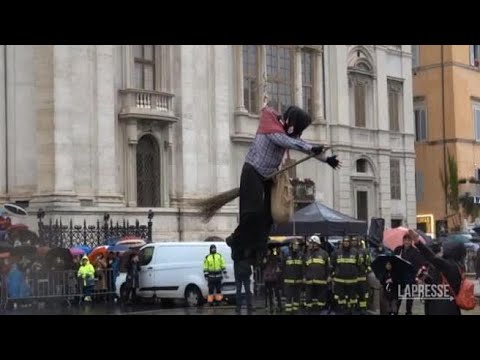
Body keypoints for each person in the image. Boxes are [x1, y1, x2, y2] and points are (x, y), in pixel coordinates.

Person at [226, 105, 341, 264]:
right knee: (252, 211)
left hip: (268, 176)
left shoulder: (287, 132)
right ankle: (236, 240)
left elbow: (300, 144)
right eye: (299, 129)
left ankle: (258, 248)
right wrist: (312, 148)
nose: (299, 134)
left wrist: (326, 160)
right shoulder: (271, 127)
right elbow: (290, 142)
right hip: (252, 171)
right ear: (292, 123)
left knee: (267, 216)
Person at [409, 229, 464, 315]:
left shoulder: (448, 265)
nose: (441, 250)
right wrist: (427, 279)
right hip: (452, 306)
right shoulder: (458, 265)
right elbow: (439, 283)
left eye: (444, 248)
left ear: (450, 251)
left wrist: (418, 242)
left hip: (443, 307)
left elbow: (432, 257)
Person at [394, 233, 424, 315]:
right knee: (398, 298)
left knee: (410, 298)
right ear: (403, 241)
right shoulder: (398, 249)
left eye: (408, 240)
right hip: (399, 278)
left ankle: (408, 312)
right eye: (405, 240)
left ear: (411, 241)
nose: (406, 242)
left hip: (410, 278)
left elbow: (419, 264)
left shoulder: (415, 251)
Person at [331, 236, 359, 315]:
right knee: (341, 298)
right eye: (344, 241)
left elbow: (358, 265)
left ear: (349, 243)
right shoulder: (337, 252)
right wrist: (332, 275)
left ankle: (351, 311)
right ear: (342, 242)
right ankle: (341, 310)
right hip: (339, 281)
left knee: (352, 298)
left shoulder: (355, 252)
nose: (346, 243)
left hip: (352, 280)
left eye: (347, 241)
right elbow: (332, 265)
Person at [303, 235, 330, 313]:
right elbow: (303, 267)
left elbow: (328, 266)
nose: (311, 245)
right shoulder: (307, 254)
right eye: (311, 243)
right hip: (309, 280)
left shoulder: (324, 253)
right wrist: (304, 276)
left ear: (317, 244)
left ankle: (320, 310)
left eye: (313, 243)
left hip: (321, 280)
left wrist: (329, 276)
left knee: (321, 297)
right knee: (308, 297)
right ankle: (309, 310)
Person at [283, 239, 304, 314]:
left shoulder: (301, 255)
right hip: (288, 281)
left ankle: (296, 311)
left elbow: (303, 267)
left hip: (298, 281)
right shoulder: (286, 255)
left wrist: (303, 277)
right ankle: (288, 312)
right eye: (295, 245)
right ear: (291, 245)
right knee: (288, 298)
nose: (296, 246)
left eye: (297, 245)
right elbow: (283, 267)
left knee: (297, 299)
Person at [262, 247, 283, 313]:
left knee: (273, 292)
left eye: (268, 251)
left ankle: (274, 306)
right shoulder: (272, 257)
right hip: (270, 277)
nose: (267, 252)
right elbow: (263, 266)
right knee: (273, 292)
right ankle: (275, 306)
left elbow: (263, 266)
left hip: (271, 277)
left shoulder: (272, 257)